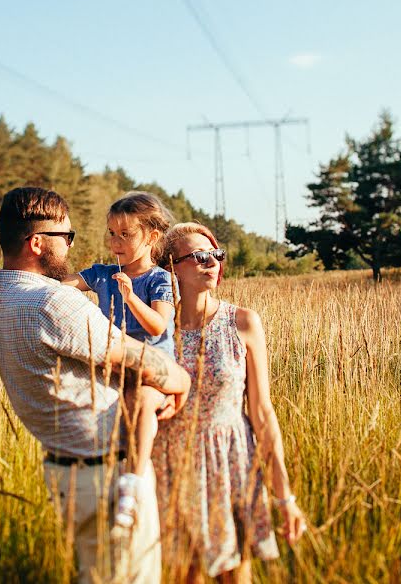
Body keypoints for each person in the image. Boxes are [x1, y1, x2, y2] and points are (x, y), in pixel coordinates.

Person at [0, 187, 191, 584]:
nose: (70, 246)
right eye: (67, 238)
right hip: (104, 478)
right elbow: (137, 357)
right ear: (36, 243)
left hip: (68, 471)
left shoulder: (1, 295)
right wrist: (181, 378)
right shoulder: (52, 303)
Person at [153, 222, 306, 583]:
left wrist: (285, 498)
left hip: (231, 463)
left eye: (216, 255)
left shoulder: (242, 322)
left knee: (235, 576)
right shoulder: (158, 326)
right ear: (171, 267)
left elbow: (262, 412)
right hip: (170, 466)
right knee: (181, 576)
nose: (212, 262)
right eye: (199, 256)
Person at [61, 192, 176, 530]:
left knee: (139, 400)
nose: (116, 242)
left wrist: (129, 297)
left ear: (151, 237)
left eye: (126, 234)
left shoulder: (159, 279)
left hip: (153, 370)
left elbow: (158, 325)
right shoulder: (102, 274)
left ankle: (132, 485)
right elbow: (61, 287)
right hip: (113, 367)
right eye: (112, 233)